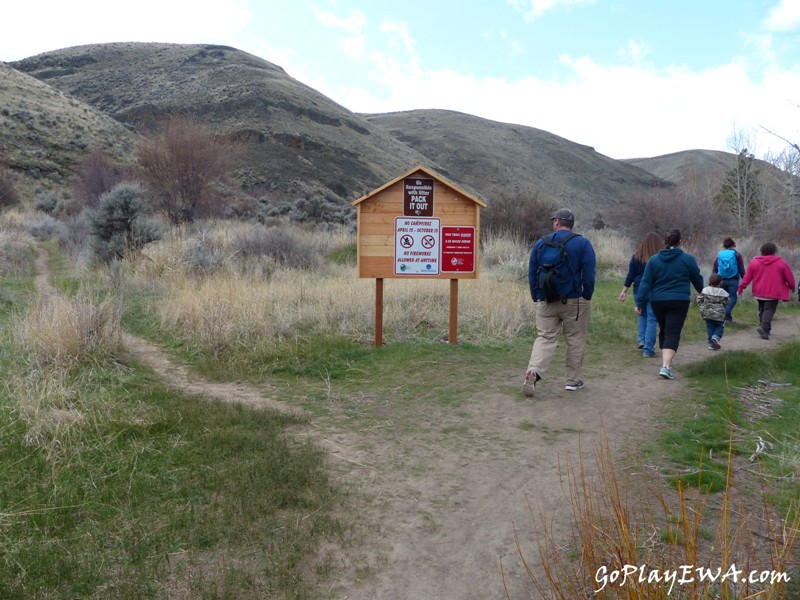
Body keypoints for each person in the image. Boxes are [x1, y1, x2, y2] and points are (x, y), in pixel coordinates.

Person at [523, 208, 596, 397]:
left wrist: (536, 296)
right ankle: (572, 381)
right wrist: (587, 295)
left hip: (546, 299)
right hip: (574, 300)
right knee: (575, 339)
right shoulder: (583, 243)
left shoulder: (541, 243)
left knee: (545, 338)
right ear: (571, 224)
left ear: (556, 222)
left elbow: (532, 273)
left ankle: (534, 371)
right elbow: (588, 274)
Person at [635, 229, 703, 380]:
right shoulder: (687, 259)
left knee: (665, 329)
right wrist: (700, 290)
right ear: (680, 242)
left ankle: (666, 361)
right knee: (672, 332)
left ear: (665, 242)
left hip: (658, 301)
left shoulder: (653, 260)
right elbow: (697, 277)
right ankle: (665, 366)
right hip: (679, 301)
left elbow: (645, 283)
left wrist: (639, 302)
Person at [737, 242, 796, 340]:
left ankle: (764, 328)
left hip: (759, 291)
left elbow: (747, 277)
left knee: (762, 310)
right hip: (774, 292)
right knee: (769, 310)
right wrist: (792, 287)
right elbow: (789, 278)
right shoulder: (781, 263)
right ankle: (764, 328)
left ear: (762, 250)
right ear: (774, 251)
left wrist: (741, 287)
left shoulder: (754, 262)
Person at [619, 232, 662, 357]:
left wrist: (624, 291)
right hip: (654, 291)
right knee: (652, 318)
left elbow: (630, 276)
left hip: (638, 290)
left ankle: (641, 341)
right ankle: (648, 349)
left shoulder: (636, 256)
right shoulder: (659, 258)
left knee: (641, 315)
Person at [712, 237, 746, 324]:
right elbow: (741, 268)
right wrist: (744, 279)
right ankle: (726, 312)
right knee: (732, 297)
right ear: (733, 244)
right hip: (733, 279)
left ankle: (727, 319)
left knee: (723, 298)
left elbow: (715, 267)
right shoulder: (737, 254)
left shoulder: (720, 254)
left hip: (721, 279)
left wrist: (713, 278)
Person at [696, 273, 729, 350]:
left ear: (709, 282)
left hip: (707, 313)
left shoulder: (705, 290)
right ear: (720, 282)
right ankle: (716, 337)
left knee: (710, 327)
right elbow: (727, 301)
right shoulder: (723, 292)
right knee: (719, 326)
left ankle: (711, 344)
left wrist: (702, 307)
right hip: (719, 314)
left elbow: (699, 299)